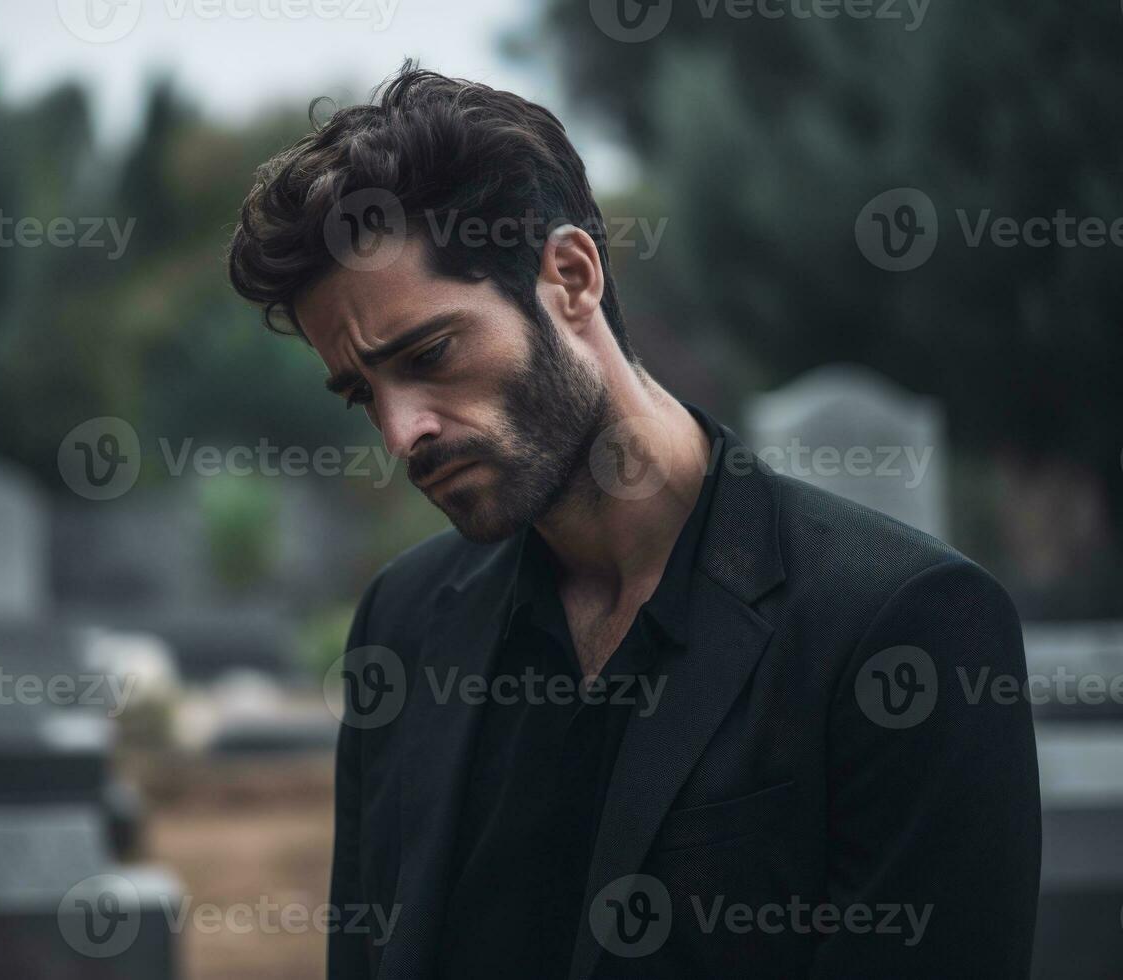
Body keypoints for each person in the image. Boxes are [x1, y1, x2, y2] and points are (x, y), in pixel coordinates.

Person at [227, 60, 1041, 979]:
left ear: (569, 277)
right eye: (359, 395)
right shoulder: (403, 625)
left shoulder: (902, 625)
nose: (401, 429)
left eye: (430, 351)